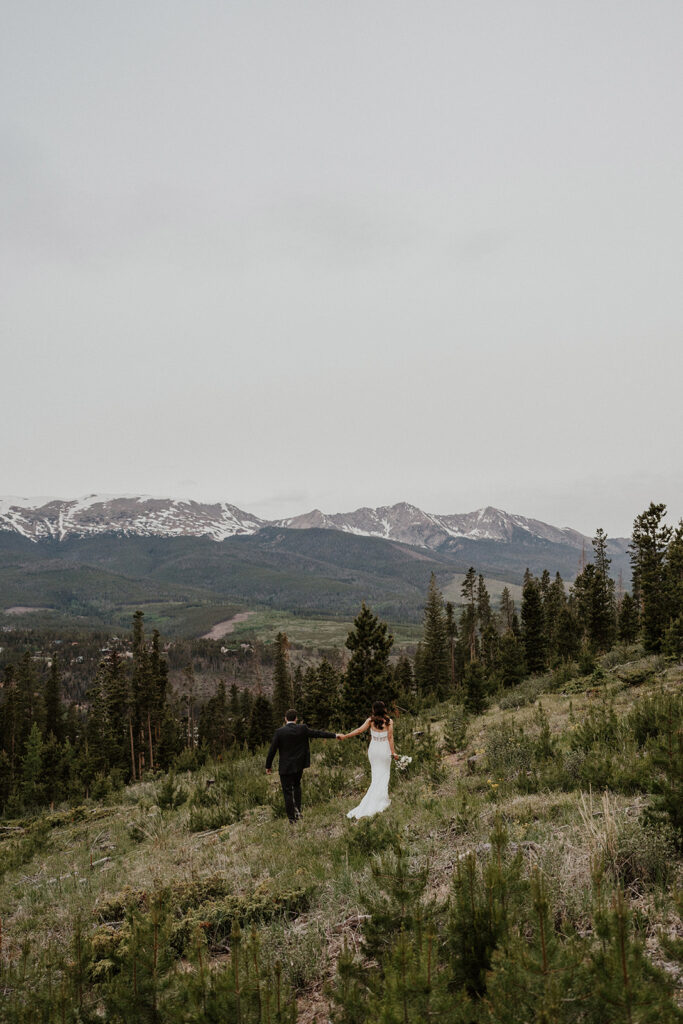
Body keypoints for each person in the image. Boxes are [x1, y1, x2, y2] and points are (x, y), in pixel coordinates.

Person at [265, 709, 341, 823]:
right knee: (297, 786)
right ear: (296, 719)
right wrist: (335, 735)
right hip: (299, 765)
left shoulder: (279, 732)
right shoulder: (303, 728)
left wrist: (268, 766)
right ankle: (298, 812)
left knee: (287, 792)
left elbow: (272, 750)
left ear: (285, 719)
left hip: (285, 767)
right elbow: (318, 734)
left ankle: (292, 819)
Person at [339, 700, 397, 819]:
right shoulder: (389, 721)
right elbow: (390, 738)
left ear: (374, 710)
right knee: (384, 775)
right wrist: (393, 752)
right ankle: (381, 799)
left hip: (374, 750)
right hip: (384, 749)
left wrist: (346, 736)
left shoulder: (370, 721)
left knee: (375, 776)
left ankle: (375, 798)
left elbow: (359, 730)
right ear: (384, 709)